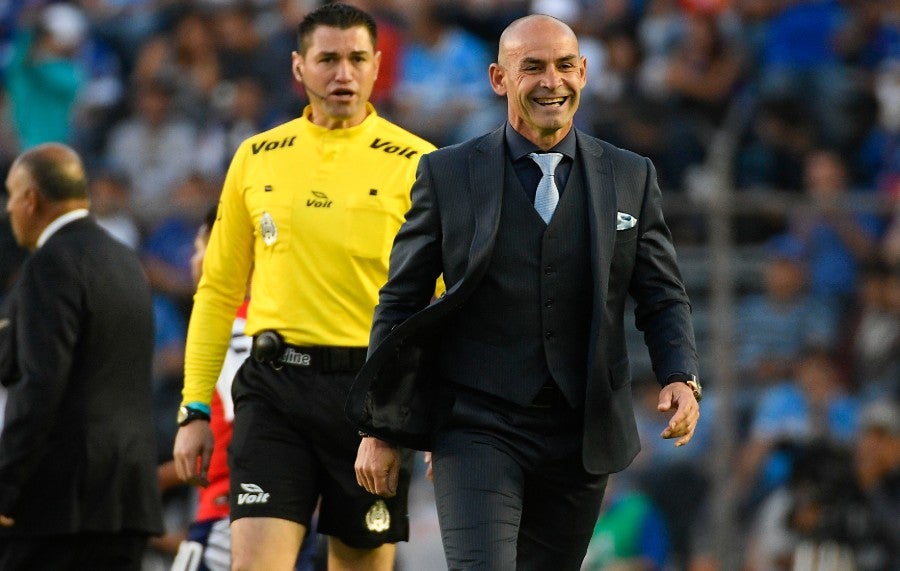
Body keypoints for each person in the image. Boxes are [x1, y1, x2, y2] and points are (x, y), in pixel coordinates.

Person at [349, 13, 701, 570]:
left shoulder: (632, 175)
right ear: (498, 78)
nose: (551, 82)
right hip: (474, 426)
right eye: (531, 67)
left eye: (564, 66)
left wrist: (680, 375)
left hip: (581, 432)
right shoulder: (446, 174)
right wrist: (379, 426)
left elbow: (661, 294)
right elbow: (401, 302)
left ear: (584, 73)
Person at [171, 4, 435, 571]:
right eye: (328, 59)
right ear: (299, 67)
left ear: (377, 66)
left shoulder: (420, 163)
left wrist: (429, 414)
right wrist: (193, 409)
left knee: (359, 563)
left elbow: (440, 305)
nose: (343, 73)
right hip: (274, 389)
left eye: (357, 59)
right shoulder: (256, 156)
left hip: (371, 397)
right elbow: (217, 291)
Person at [0, 143, 162, 569]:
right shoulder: (127, 261)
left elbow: (40, 383)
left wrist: (6, 483)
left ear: (31, 200)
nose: (9, 209)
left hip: (60, 506)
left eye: (11, 196)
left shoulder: (48, 264)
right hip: (127, 501)